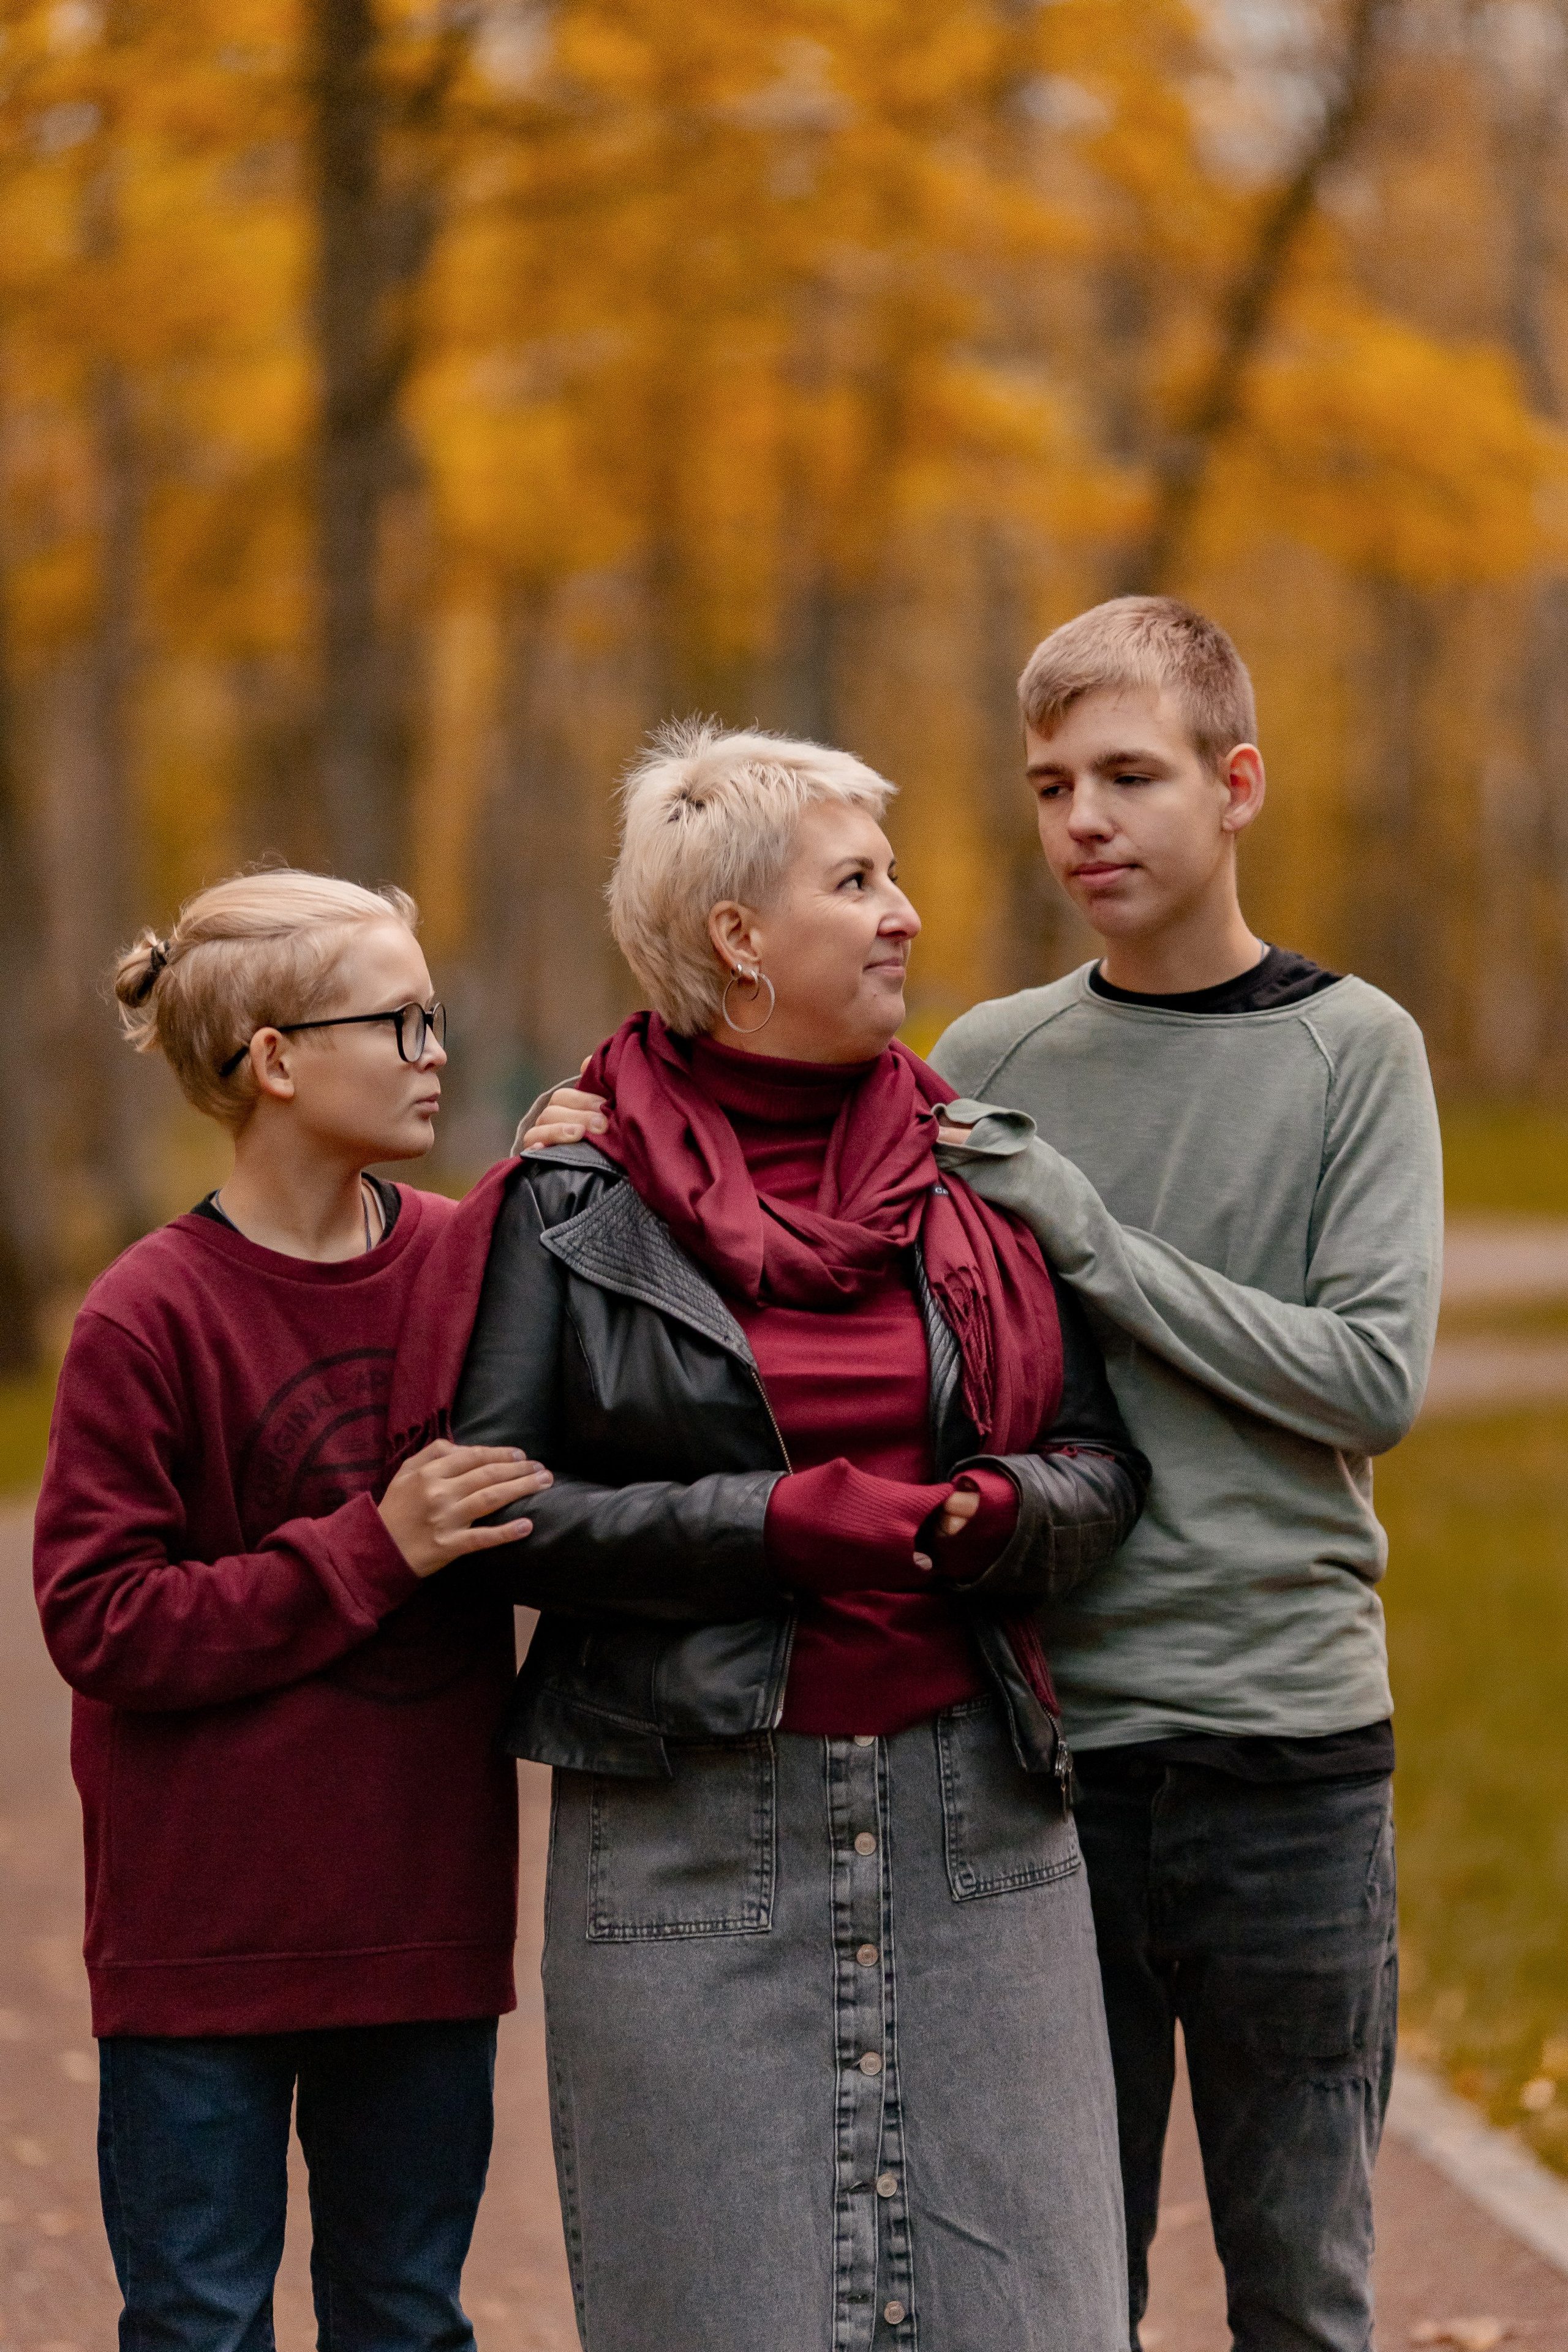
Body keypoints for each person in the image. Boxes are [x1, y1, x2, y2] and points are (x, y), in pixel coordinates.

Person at [530, 605, 1442, 2352]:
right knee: (1056, 2285)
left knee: (1302, 2281)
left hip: (1287, 1743)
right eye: (1050, 786)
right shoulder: (993, 1058)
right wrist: (584, 1126)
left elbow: (1372, 1381)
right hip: (1054, 1751)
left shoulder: (1358, 1051)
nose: (1085, 819)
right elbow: (768, 1142)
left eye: (1130, 777)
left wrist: (1090, 1238)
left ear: (1235, 786)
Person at [438, 723, 1150, 2352]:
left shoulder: (983, 1176)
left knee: (1033, 2317)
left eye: (889, 877)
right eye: (857, 880)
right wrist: (777, 1526)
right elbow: (496, 1510)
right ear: (737, 938)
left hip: (983, 1819)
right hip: (689, 1834)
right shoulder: (575, 1200)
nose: (904, 911)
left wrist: (1003, 1518)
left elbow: (1101, 1463)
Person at [32, 869, 552, 2352]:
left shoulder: (470, 1260)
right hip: (203, 1952)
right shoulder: (149, 1314)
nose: (435, 1052)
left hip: (418, 1929)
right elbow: (103, 1620)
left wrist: (573, 1180)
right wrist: (370, 1550)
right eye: (400, 1022)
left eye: (434, 1018)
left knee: (404, 2316)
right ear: (274, 1058)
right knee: (199, 2323)